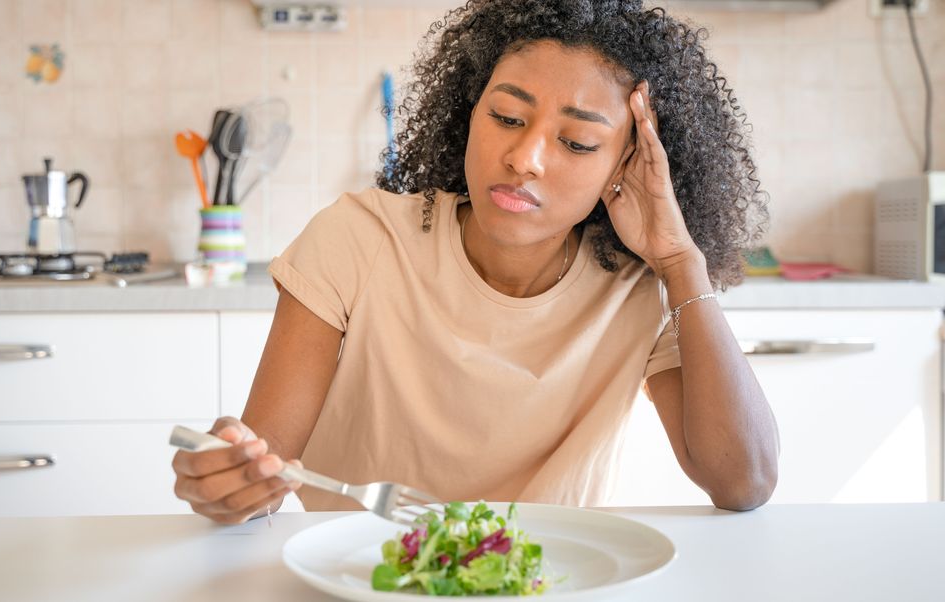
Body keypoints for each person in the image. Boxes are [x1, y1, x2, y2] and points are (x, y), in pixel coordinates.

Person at [172, 0, 779, 524]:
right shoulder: (357, 239)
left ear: (624, 166)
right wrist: (233, 477)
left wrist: (680, 260)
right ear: (470, 111)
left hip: (548, 579)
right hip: (361, 577)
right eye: (507, 118)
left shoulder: (637, 284)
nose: (525, 157)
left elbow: (742, 482)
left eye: (577, 142)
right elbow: (263, 471)